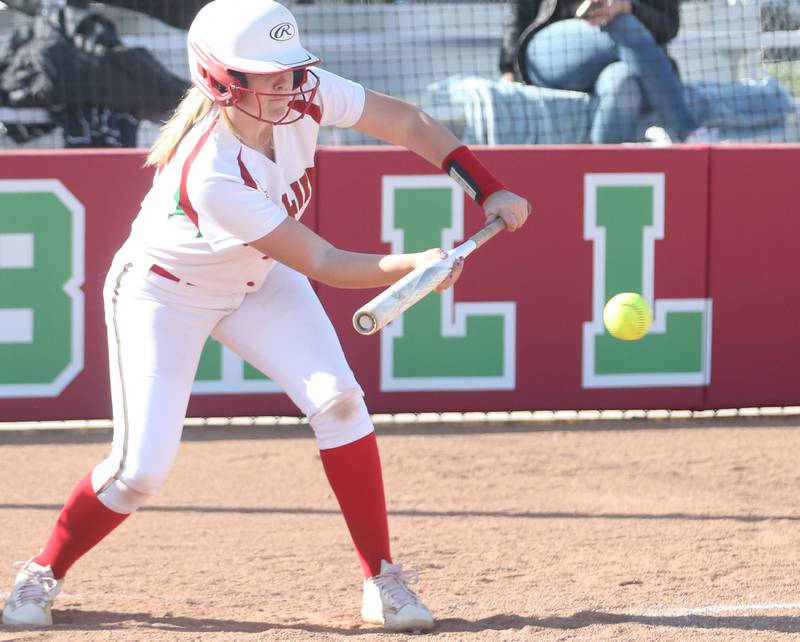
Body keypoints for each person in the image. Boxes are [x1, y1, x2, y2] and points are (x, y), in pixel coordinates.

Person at [1, 0, 530, 633]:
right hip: (167, 295)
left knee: (338, 401)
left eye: (290, 71)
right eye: (267, 76)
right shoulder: (213, 173)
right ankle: (42, 571)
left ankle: (382, 577)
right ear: (223, 81)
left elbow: (409, 122)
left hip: (259, 279)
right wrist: (411, 266)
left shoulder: (300, 94)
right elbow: (326, 262)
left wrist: (485, 184)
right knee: (138, 472)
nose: (287, 86)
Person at [499, 0, 716, 143]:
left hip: (621, 58)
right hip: (550, 53)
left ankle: (604, 169)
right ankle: (690, 132)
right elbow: (518, 18)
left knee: (623, 83)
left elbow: (668, 26)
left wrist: (629, 7)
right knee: (620, 23)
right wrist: (508, 69)